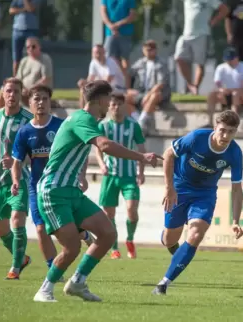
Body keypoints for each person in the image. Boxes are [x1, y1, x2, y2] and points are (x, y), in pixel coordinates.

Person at [32, 80, 163, 303]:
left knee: (108, 233)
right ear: (100, 100)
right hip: (53, 192)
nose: (110, 105)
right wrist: (141, 157)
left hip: (71, 192)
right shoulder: (83, 119)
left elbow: (77, 152)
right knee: (71, 248)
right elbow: (104, 146)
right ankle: (44, 290)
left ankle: (77, 282)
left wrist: (80, 176)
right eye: (108, 100)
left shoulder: (87, 121)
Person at [152, 110, 243, 295]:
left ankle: (163, 284)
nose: (226, 136)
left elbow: (237, 189)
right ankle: (177, 251)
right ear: (215, 128)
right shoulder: (197, 137)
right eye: (222, 130)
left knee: (196, 233)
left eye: (231, 131)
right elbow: (168, 154)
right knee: (169, 239)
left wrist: (236, 221)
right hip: (179, 188)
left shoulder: (235, 152)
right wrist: (169, 188)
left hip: (205, 194)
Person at [11, 85, 95, 277]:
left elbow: (81, 150)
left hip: (64, 184)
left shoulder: (61, 126)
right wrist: (16, 180)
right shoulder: (24, 132)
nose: (41, 103)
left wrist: (81, 175)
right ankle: (53, 269)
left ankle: (83, 234)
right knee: (41, 229)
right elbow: (17, 163)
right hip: (37, 187)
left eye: (45, 99)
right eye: (36, 99)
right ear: (30, 103)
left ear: (50, 102)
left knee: (66, 227)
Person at [0, 77, 33, 279]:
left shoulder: (28, 119)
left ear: (21, 94)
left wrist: (18, 162)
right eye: (9, 91)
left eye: (16, 92)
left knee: (17, 220)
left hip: (19, 180)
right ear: (2, 92)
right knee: (1, 230)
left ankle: (15, 269)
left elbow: (34, 152)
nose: (12, 95)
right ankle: (23, 258)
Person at [95, 93, 146, 260]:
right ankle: (114, 247)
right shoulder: (103, 125)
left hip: (129, 176)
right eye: (113, 104)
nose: (116, 107)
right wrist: (102, 165)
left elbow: (141, 149)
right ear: (109, 106)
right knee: (109, 214)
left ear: (124, 105)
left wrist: (141, 171)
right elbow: (98, 148)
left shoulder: (133, 125)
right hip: (110, 176)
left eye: (119, 104)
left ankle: (130, 240)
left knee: (132, 210)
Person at [174, 0, 229, 94]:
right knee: (179, 58)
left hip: (202, 34)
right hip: (186, 34)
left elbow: (224, 9)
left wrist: (214, 21)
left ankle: (195, 87)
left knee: (200, 63)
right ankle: (190, 84)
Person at [126, 40, 171, 133]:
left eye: (151, 50)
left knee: (154, 96)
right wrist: (128, 89)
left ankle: (142, 121)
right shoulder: (140, 62)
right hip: (143, 92)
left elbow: (161, 84)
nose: (148, 52)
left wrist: (148, 95)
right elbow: (129, 74)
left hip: (160, 92)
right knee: (124, 98)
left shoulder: (161, 63)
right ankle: (138, 120)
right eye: (146, 50)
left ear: (155, 50)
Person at [206, 47, 243, 127]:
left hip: (239, 93)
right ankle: (210, 121)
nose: (229, 61)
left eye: (231, 59)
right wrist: (221, 89)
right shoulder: (221, 68)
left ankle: (234, 122)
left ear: (236, 58)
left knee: (235, 94)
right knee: (212, 95)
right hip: (225, 93)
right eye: (227, 59)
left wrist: (232, 90)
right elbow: (217, 82)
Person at [9, 0, 41, 76]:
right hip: (17, 30)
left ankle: (32, 79)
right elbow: (11, 10)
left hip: (31, 30)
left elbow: (30, 9)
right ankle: (16, 79)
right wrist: (22, 10)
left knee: (33, 56)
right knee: (16, 58)